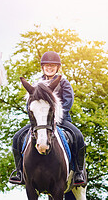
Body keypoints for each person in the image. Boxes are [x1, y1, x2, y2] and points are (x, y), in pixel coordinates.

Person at [9, 51, 87, 186]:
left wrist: (55, 117)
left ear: (57, 67)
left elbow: (68, 102)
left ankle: (78, 171)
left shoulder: (64, 83)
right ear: (42, 67)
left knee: (78, 137)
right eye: (46, 65)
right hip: (40, 122)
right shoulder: (37, 84)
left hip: (61, 120)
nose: (49, 68)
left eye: (52, 65)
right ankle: (19, 171)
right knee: (17, 137)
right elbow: (30, 103)